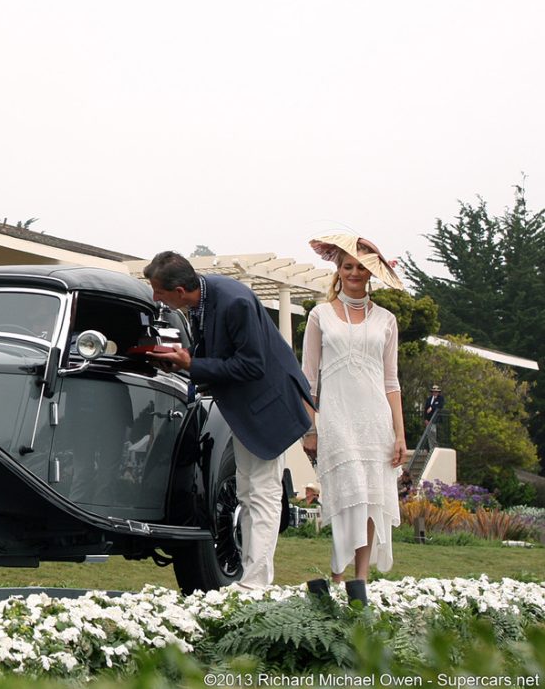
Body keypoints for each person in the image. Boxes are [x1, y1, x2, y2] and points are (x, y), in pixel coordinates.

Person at [144, 251, 314, 590]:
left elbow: (252, 364)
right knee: (248, 492)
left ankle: (257, 582)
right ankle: (252, 577)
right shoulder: (203, 299)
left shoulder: (235, 302)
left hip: (268, 408)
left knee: (263, 493)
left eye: (158, 292)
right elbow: (218, 353)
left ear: (179, 291)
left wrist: (192, 365)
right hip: (245, 409)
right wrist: (183, 361)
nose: (156, 298)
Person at [300, 235, 406, 604]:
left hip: (376, 420)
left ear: (372, 272)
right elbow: (308, 379)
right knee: (346, 497)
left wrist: (400, 434)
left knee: (371, 498)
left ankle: (360, 582)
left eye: (362, 267)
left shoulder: (387, 320)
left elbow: (391, 382)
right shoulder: (320, 315)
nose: (355, 273)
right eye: (348, 266)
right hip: (337, 420)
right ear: (339, 270)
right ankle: (336, 575)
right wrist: (310, 427)